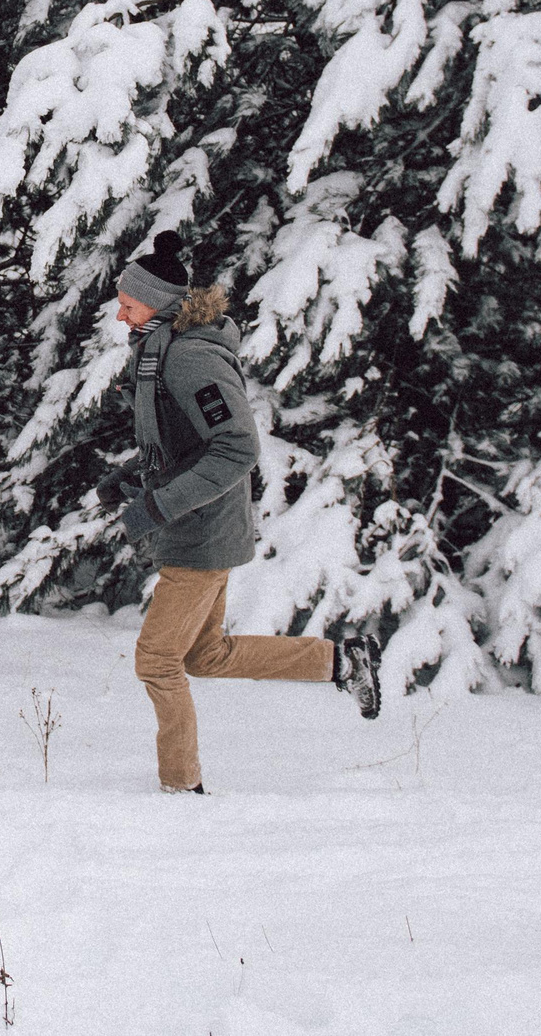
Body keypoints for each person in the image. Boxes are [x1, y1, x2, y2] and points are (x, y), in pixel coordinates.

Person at [100, 231, 382, 794]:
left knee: (157, 661)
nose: (121, 316)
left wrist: (156, 505)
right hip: (200, 525)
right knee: (207, 655)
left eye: (129, 305)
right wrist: (133, 473)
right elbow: (187, 439)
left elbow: (236, 448)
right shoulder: (164, 350)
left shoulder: (190, 358)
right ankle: (341, 661)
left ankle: (181, 788)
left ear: (158, 303)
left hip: (200, 532)